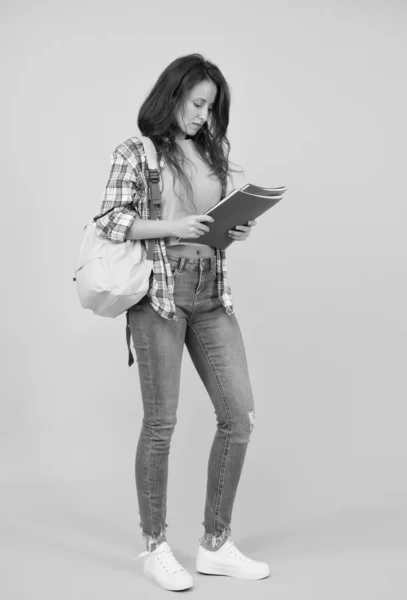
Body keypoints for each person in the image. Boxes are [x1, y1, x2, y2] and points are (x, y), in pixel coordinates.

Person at [94, 53, 270, 591]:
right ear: (172, 96)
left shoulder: (209, 151)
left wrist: (233, 229)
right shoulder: (137, 151)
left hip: (211, 294)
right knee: (162, 425)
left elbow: (210, 225)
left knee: (238, 417)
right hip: (159, 297)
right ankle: (154, 546)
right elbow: (112, 218)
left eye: (209, 108)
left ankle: (215, 544)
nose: (202, 116)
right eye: (196, 104)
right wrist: (174, 225)